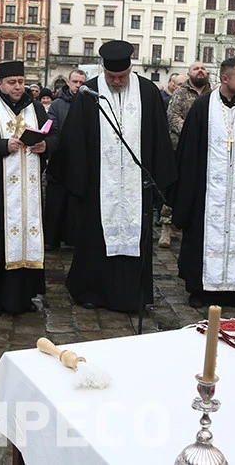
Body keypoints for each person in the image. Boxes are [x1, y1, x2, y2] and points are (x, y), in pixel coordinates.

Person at [50, 41, 176, 312]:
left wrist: (158, 178)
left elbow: (158, 137)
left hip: (135, 184)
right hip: (98, 185)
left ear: (130, 69)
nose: (117, 81)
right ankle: (92, 292)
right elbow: (74, 140)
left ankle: (132, 296)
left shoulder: (147, 91)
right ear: (103, 70)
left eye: (122, 76)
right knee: (95, 240)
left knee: (134, 242)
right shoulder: (89, 92)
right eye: (112, 77)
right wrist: (80, 182)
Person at [171, 59, 235, 308]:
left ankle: (233, 291)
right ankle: (199, 288)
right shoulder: (203, 106)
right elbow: (189, 150)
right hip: (208, 190)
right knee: (201, 237)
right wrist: (189, 190)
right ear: (225, 79)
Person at [0, 60, 57, 316]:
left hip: (29, 194)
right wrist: (2, 146)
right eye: (11, 83)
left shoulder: (36, 107)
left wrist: (45, 146)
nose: (17, 87)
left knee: (27, 240)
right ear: (0, 84)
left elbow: (54, 135)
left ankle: (23, 298)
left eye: (20, 82)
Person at [161, 61, 211, 248]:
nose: (200, 70)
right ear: (189, 73)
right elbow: (173, 117)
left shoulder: (212, 94)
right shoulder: (180, 93)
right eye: (196, 68)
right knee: (174, 186)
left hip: (205, 149)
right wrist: (192, 133)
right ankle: (166, 226)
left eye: (203, 68)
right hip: (180, 148)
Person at [44, 69, 86, 249]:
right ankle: (51, 239)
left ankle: (73, 239)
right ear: (68, 83)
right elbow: (52, 128)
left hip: (80, 162)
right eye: (75, 81)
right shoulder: (57, 105)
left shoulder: (89, 103)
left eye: (81, 83)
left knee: (75, 203)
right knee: (55, 202)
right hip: (60, 159)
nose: (78, 85)